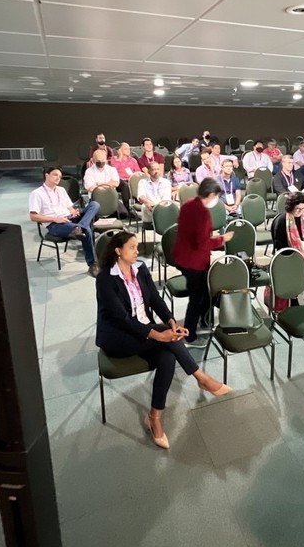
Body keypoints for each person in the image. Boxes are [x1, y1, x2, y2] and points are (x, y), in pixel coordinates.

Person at [95, 231, 230, 449]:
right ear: (118, 251)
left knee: (167, 355)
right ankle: (201, 377)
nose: (137, 251)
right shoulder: (105, 279)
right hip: (118, 338)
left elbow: (156, 299)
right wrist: (159, 334)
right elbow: (121, 320)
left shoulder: (140, 268)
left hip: (145, 330)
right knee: (167, 341)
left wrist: (171, 322)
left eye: (137, 246)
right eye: (132, 247)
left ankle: (154, 417)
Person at [173, 178, 235, 344]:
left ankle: (205, 320)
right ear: (212, 195)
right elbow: (202, 243)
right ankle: (190, 333)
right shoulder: (202, 213)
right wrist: (222, 239)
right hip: (194, 262)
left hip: (182, 256)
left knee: (205, 291)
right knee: (197, 298)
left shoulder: (188, 203)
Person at [29, 166, 103, 277]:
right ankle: (92, 264)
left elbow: (70, 207)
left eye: (59, 176)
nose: (58, 178)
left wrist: (73, 211)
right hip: (55, 224)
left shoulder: (61, 190)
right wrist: (55, 218)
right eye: (55, 175)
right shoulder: (37, 193)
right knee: (87, 230)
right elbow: (33, 216)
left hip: (71, 218)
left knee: (95, 204)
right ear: (47, 175)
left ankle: (80, 227)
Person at [271, 191, 304, 277]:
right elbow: (280, 245)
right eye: (298, 209)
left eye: (303, 208)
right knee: (299, 269)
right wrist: (297, 255)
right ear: (291, 207)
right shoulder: (282, 221)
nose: (301, 211)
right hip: (289, 254)